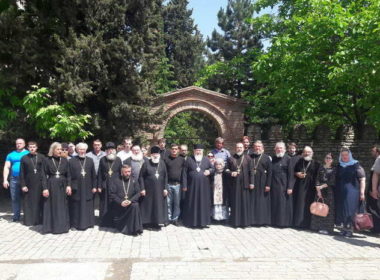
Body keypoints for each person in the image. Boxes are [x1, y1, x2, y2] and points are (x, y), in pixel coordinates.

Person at [41, 142, 71, 234]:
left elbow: (69, 174)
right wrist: (45, 188)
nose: (60, 151)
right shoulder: (47, 160)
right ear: (52, 150)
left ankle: (62, 227)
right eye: (58, 149)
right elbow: (43, 175)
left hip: (62, 185)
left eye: (61, 149)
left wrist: (69, 185)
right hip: (51, 185)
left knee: (62, 206)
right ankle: (51, 227)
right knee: (52, 205)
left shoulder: (65, 160)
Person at [181, 144, 213, 228]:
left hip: (204, 187)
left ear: (202, 151)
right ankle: (191, 222)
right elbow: (184, 173)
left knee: (203, 203)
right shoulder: (189, 159)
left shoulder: (206, 159)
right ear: (194, 151)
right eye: (196, 150)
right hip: (192, 186)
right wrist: (184, 185)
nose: (198, 152)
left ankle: (204, 222)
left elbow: (213, 169)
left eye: (199, 150)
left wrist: (209, 171)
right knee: (192, 203)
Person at [335, 148, 366, 237]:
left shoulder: (356, 165)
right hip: (341, 192)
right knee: (343, 209)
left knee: (350, 210)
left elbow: (362, 179)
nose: (345, 157)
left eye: (346, 155)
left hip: (353, 191)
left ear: (350, 155)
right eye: (343, 155)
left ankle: (350, 229)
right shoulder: (339, 165)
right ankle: (344, 228)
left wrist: (362, 192)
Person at [68, 143, 96, 230]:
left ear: (86, 150)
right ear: (77, 150)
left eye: (83, 149)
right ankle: (74, 225)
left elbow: (93, 175)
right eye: (80, 149)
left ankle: (89, 223)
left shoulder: (90, 160)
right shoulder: (72, 160)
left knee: (88, 204)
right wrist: (69, 185)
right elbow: (68, 175)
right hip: (76, 186)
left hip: (88, 186)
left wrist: (94, 186)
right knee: (76, 205)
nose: (82, 151)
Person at [139, 146, 168, 229]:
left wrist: (165, 188)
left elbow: (166, 176)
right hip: (148, 190)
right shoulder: (146, 163)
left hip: (159, 190)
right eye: (154, 153)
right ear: (151, 154)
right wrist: (142, 188)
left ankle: (157, 222)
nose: (155, 155)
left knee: (157, 206)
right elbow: (141, 177)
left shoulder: (162, 163)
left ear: (159, 154)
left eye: (157, 153)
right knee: (149, 206)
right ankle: (147, 223)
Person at [109, 165, 143, 236]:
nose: (128, 173)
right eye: (126, 172)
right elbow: (112, 194)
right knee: (135, 206)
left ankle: (136, 229)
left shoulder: (134, 180)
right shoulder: (116, 180)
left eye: (129, 171)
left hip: (130, 204)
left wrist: (130, 201)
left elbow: (138, 193)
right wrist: (121, 202)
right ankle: (128, 228)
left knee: (135, 205)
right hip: (120, 207)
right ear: (122, 172)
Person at [292, 146, 320, 229]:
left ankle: (308, 224)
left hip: (311, 188)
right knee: (299, 204)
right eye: (305, 152)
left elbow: (318, 177)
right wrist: (297, 174)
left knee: (309, 205)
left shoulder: (316, 164)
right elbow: (294, 172)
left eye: (309, 152)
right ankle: (298, 223)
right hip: (300, 187)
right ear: (303, 153)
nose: (307, 153)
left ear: (312, 153)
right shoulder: (299, 162)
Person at [227, 142, 254, 228]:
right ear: (235, 148)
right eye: (238, 147)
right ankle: (235, 222)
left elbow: (251, 172)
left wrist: (252, 182)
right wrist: (231, 173)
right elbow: (226, 170)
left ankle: (244, 222)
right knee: (235, 203)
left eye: (241, 147)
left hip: (244, 184)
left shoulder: (248, 158)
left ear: (244, 148)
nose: (239, 149)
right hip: (234, 185)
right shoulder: (231, 158)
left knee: (244, 203)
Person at [3, 138, 29, 222]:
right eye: (17, 143)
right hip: (14, 178)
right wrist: (5, 180)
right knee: (15, 198)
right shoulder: (11, 155)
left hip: (26, 179)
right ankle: (16, 216)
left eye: (20, 143)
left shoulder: (28, 154)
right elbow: (7, 167)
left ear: (24, 144)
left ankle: (28, 216)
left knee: (27, 197)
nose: (18, 145)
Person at [97, 142, 122, 227]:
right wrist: (99, 186)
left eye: (112, 149)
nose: (110, 151)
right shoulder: (102, 160)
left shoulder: (118, 160)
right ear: (106, 151)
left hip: (116, 185)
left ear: (114, 150)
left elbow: (121, 173)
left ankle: (115, 221)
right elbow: (99, 174)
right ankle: (104, 222)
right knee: (104, 203)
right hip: (105, 185)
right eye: (108, 150)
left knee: (114, 203)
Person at [310, 153, 336, 234]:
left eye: (330, 158)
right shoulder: (321, 167)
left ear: (332, 160)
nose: (328, 159)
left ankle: (326, 228)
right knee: (318, 208)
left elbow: (332, 181)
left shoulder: (334, 169)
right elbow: (317, 178)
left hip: (328, 192)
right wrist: (318, 190)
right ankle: (317, 227)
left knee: (327, 210)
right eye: (327, 157)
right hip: (319, 191)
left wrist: (321, 187)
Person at [19, 141, 44, 226]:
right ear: (28, 148)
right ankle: (29, 221)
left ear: (36, 147)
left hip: (40, 183)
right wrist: (23, 185)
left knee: (39, 202)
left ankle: (39, 220)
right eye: (30, 147)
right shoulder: (24, 158)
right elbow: (21, 173)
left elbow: (45, 172)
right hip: (28, 184)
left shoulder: (41, 157)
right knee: (28, 203)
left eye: (33, 147)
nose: (32, 148)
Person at [249, 140, 272, 226]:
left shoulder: (266, 158)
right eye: (256, 146)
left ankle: (262, 221)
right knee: (252, 201)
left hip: (263, 183)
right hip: (252, 182)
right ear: (253, 148)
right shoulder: (250, 156)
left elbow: (270, 173)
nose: (257, 148)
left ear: (262, 148)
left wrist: (268, 185)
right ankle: (252, 220)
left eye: (259, 146)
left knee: (262, 202)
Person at [270, 142, 293, 227]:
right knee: (275, 203)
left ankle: (283, 223)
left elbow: (291, 174)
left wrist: (290, 187)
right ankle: (274, 222)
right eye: (277, 148)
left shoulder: (289, 159)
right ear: (275, 149)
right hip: (274, 185)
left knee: (283, 205)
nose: (279, 150)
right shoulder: (273, 159)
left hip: (284, 186)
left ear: (284, 149)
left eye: (281, 148)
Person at [164, 143, 185, 225]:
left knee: (177, 203)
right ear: (170, 149)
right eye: (173, 149)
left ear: (178, 150)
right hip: (168, 184)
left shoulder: (182, 159)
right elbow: (164, 173)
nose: (174, 150)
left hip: (178, 185)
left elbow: (184, 173)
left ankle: (175, 219)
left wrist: (184, 184)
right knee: (168, 202)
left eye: (176, 149)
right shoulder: (166, 159)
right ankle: (168, 219)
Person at [367, 145, 380, 233]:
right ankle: (374, 228)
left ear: (377, 152)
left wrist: (374, 190)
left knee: (375, 209)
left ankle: (376, 228)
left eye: (373, 151)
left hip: (375, 191)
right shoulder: (377, 160)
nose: (371, 152)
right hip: (374, 189)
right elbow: (375, 175)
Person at [211, 158, 229, 222]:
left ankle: (223, 218)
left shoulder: (225, 172)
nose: (218, 166)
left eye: (220, 164)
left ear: (223, 165)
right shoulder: (213, 172)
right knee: (215, 204)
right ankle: (215, 218)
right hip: (215, 191)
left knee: (223, 204)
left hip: (223, 191)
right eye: (217, 164)